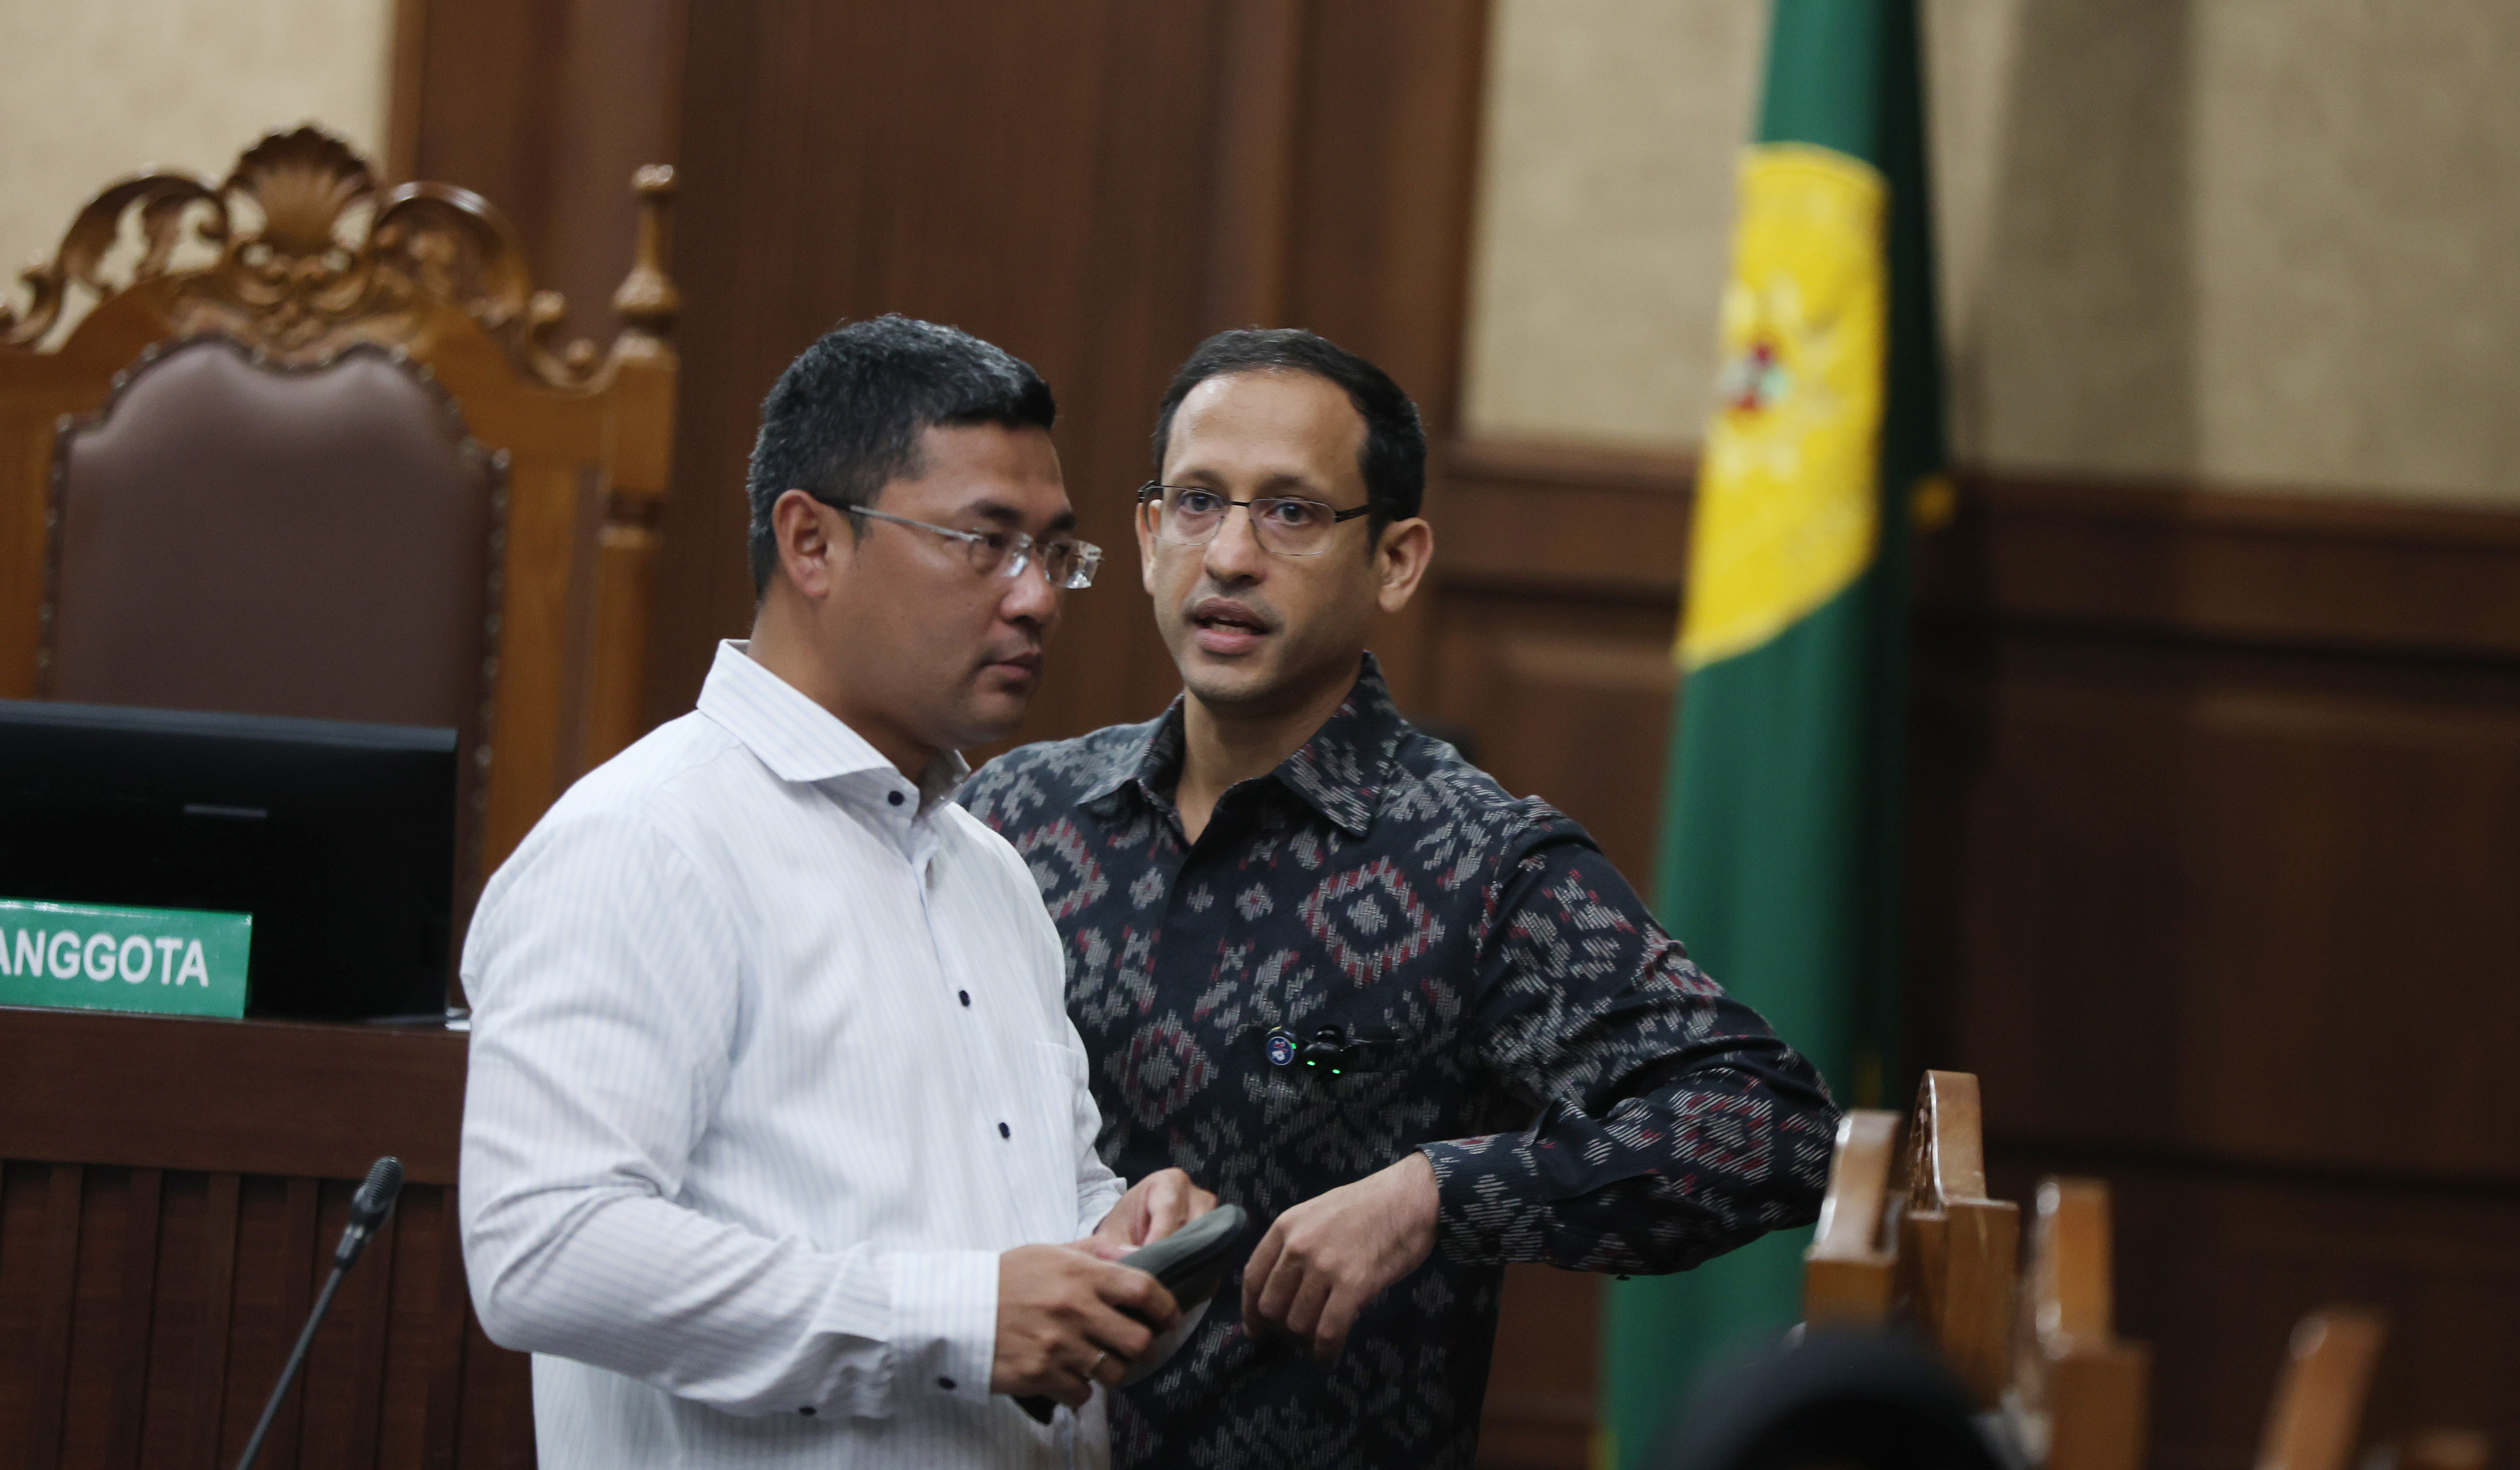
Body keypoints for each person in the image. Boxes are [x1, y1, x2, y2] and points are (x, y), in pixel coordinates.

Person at [959, 328, 1841, 1467]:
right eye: (1197, 502)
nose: (1229, 555)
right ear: (1145, 534)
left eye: (1291, 512)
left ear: (1396, 560)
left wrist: (1438, 1192)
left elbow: (1773, 1124)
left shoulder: (1479, 864)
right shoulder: (1013, 816)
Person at [460, 316, 1216, 1470]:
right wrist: (955, 1319)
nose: (1036, 599)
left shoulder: (991, 873)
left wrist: (1115, 1250)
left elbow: (1025, 1225)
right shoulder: (643, 841)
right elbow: (543, 1249)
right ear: (811, 543)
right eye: (986, 543)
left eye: (1056, 553)